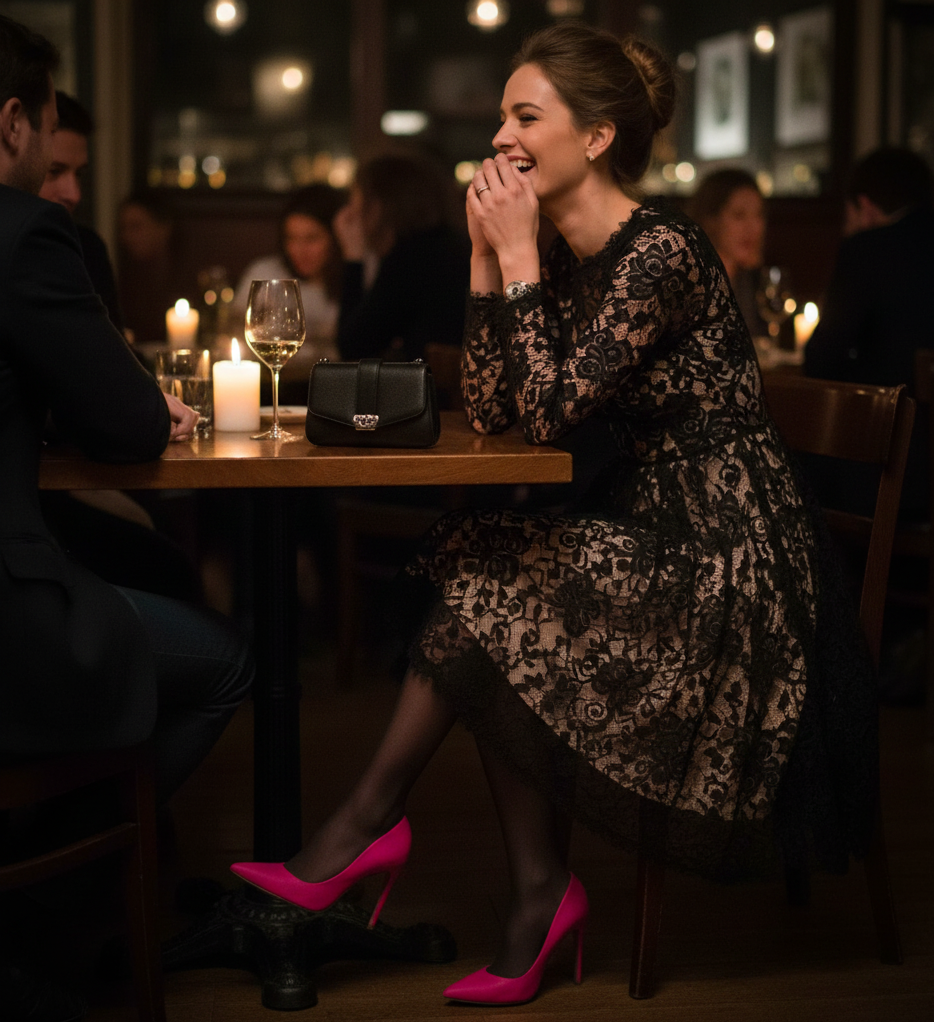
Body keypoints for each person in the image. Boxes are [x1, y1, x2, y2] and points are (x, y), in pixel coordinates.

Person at [232, 23, 877, 1007]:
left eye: (524, 116)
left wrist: (516, 252)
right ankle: (497, 880)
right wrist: (490, 267)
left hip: (730, 569)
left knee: (486, 588)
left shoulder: (660, 251)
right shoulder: (571, 257)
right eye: (501, 116)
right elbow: (495, 405)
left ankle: (402, 847)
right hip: (651, 536)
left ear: (599, 135)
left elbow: (541, 415)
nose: (500, 137)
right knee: (478, 573)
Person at [0, 15, 253, 1018]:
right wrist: (144, 408)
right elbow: (125, 417)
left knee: (142, 572)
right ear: (15, 124)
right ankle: (53, 906)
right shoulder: (22, 235)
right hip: (7, 607)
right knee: (224, 658)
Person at [334, 152, 470, 362]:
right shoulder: (452, 245)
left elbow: (352, 347)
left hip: (430, 392)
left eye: (355, 199)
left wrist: (353, 257)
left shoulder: (411, 259)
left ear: (378, 206)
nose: (351, 212)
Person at [39, 90, 123, 331]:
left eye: (79, 174)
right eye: (54, 171)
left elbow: (116, 354)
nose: (74, 194)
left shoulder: (87, 248)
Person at [232, 183, 345, 357]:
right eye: (291, 238)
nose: (299, 250)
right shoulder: (265, 274)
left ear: (336, 237)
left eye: (311, 238)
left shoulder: (357, 278)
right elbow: (235, 332)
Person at [688, 167, 768, 339]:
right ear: (711, 221)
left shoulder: (751, 282)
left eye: (758, 215)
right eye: (739, 215)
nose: (753, 228)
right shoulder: (691, 285)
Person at [116, 186, 187, 345]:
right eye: (123, 229)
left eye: (136, 227)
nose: (126, 237)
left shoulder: (187, 277)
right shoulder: (125, 280)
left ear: (164, 227)